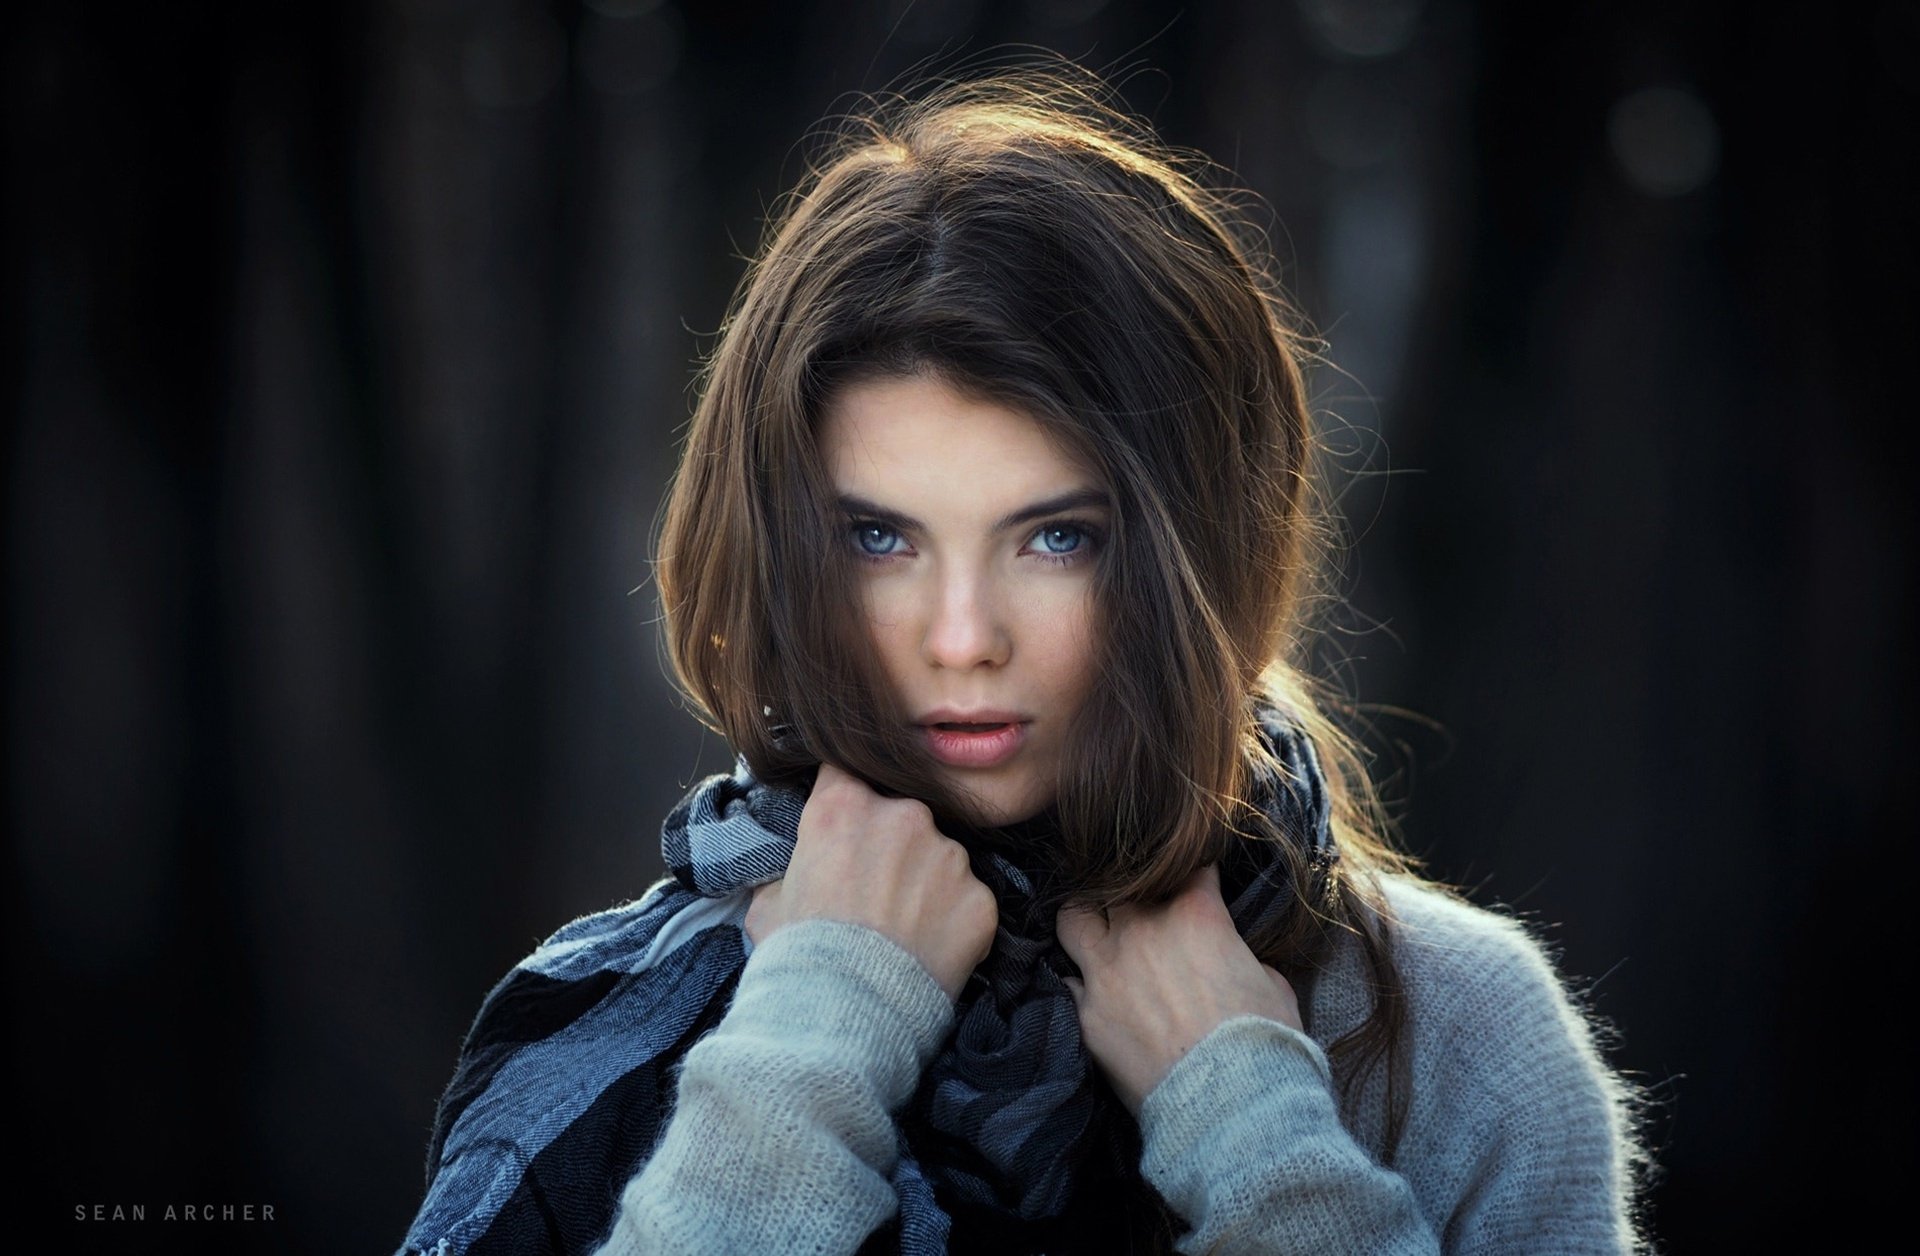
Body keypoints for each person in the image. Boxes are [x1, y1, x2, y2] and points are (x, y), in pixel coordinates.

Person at [398, 65, 1650, 1256]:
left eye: (1057, 537)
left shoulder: (1462, 1035)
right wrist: (810, 1043)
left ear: (1205, 542)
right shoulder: (607, 1019)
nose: (960, 636)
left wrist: (1255, 1132)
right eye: (878, 537)